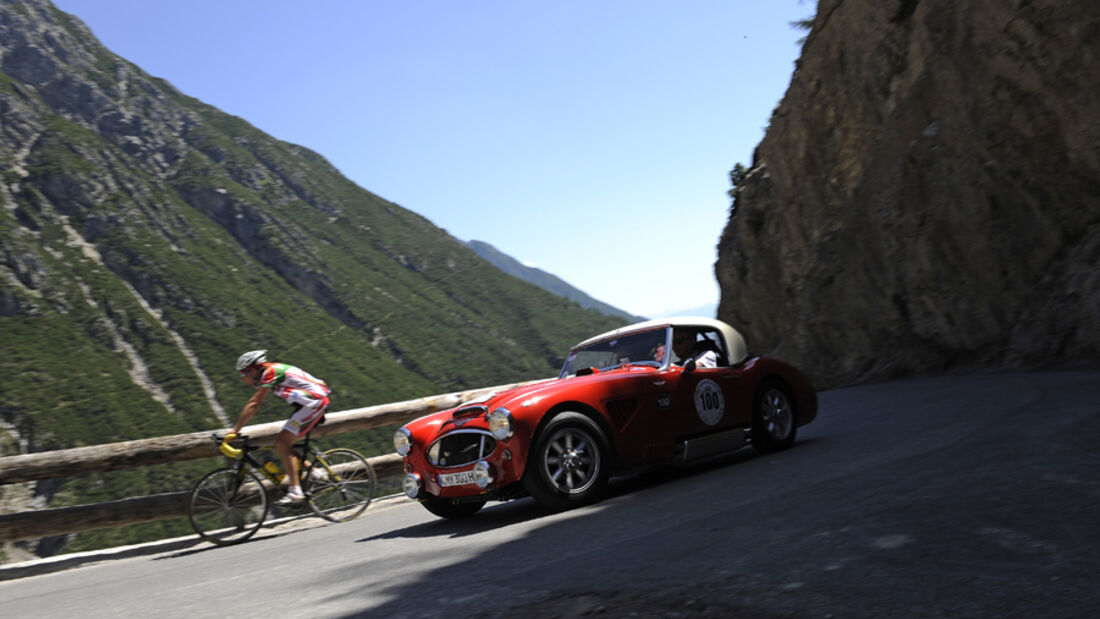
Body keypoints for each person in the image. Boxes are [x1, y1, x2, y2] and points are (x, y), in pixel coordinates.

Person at [230, 350, 331, 505]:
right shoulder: (270, 371)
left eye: (243, 374)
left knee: (282, 444)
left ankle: (296, 493)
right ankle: (315, 473)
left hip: (314, 402)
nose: (242, 379)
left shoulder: (270, 373)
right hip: (309, 402)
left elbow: (254, 403)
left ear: (253, 369)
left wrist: (235, 430)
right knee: (284, 444)